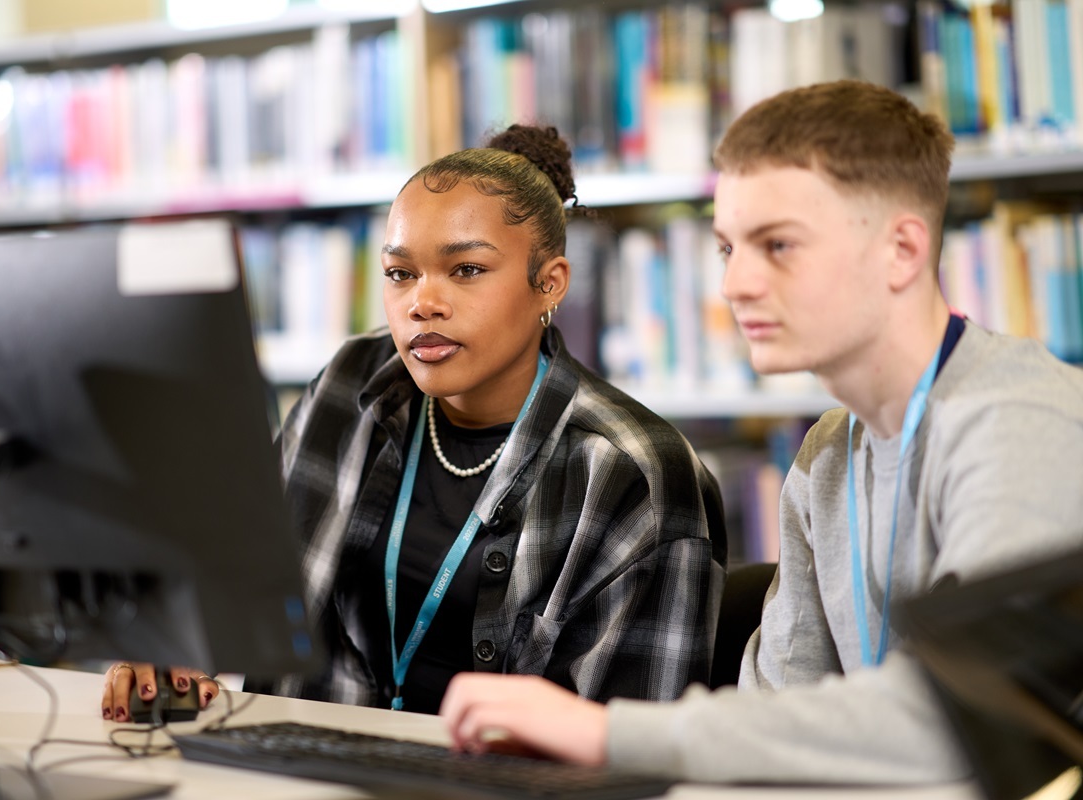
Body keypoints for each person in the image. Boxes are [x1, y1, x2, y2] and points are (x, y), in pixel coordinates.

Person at [439, 81, 1083, 784]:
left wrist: (605, 732)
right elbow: (776, 715)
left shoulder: (1020, 422)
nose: (737, 284)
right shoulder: (828, 456)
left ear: (901, 250)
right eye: (726, 249)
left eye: (777, 246)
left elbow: (964, 723)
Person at [100, 124, 727, 722]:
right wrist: (174, 644)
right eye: (401, 274)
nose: (422, 302)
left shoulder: (632, 474)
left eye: (467, 270)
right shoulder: (350, 383)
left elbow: (632, 751)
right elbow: (239, 566)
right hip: (302, 767)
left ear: (549, 285)